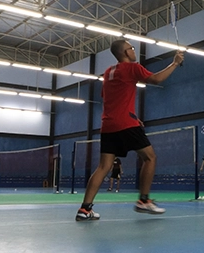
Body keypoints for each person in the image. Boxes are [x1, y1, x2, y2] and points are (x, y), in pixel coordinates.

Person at [76, 39, 184, 221]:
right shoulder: (133, 68)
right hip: (125, 124)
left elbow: (111, 98)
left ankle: (84, 209)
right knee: (150, 158)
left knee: (103, 167)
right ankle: (143, 200)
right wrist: (175, 63)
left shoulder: (108, 72)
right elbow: (156, 79)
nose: (134, 51)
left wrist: (132, 116)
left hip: (108, 125)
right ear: (125, 53)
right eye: (131, 48)